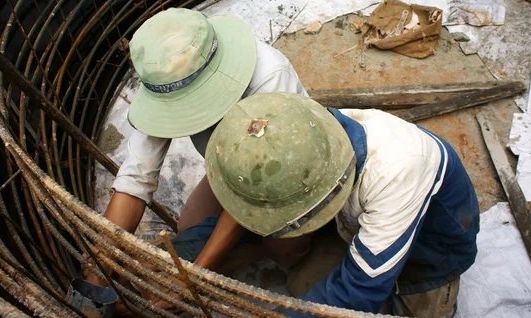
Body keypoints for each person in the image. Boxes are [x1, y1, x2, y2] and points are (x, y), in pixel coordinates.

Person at [192, 92, 480, 316]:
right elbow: (247, 213)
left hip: (430, 258)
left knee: (340, 303)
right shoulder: (312, 131)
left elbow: (359, 291)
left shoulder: (398, 171)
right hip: (353, 227)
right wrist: (192, 264)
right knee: (304, 286)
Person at [87, 8, 308, 286]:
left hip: (280, 167)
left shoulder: (269, 77)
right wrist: (99, 269)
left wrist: (194, 277)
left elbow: (256, 184)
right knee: (190, 225)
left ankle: (259, 246)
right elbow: (135, 180)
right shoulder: (165, 77)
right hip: (227, 163)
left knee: (288, 249)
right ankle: (245, 246)